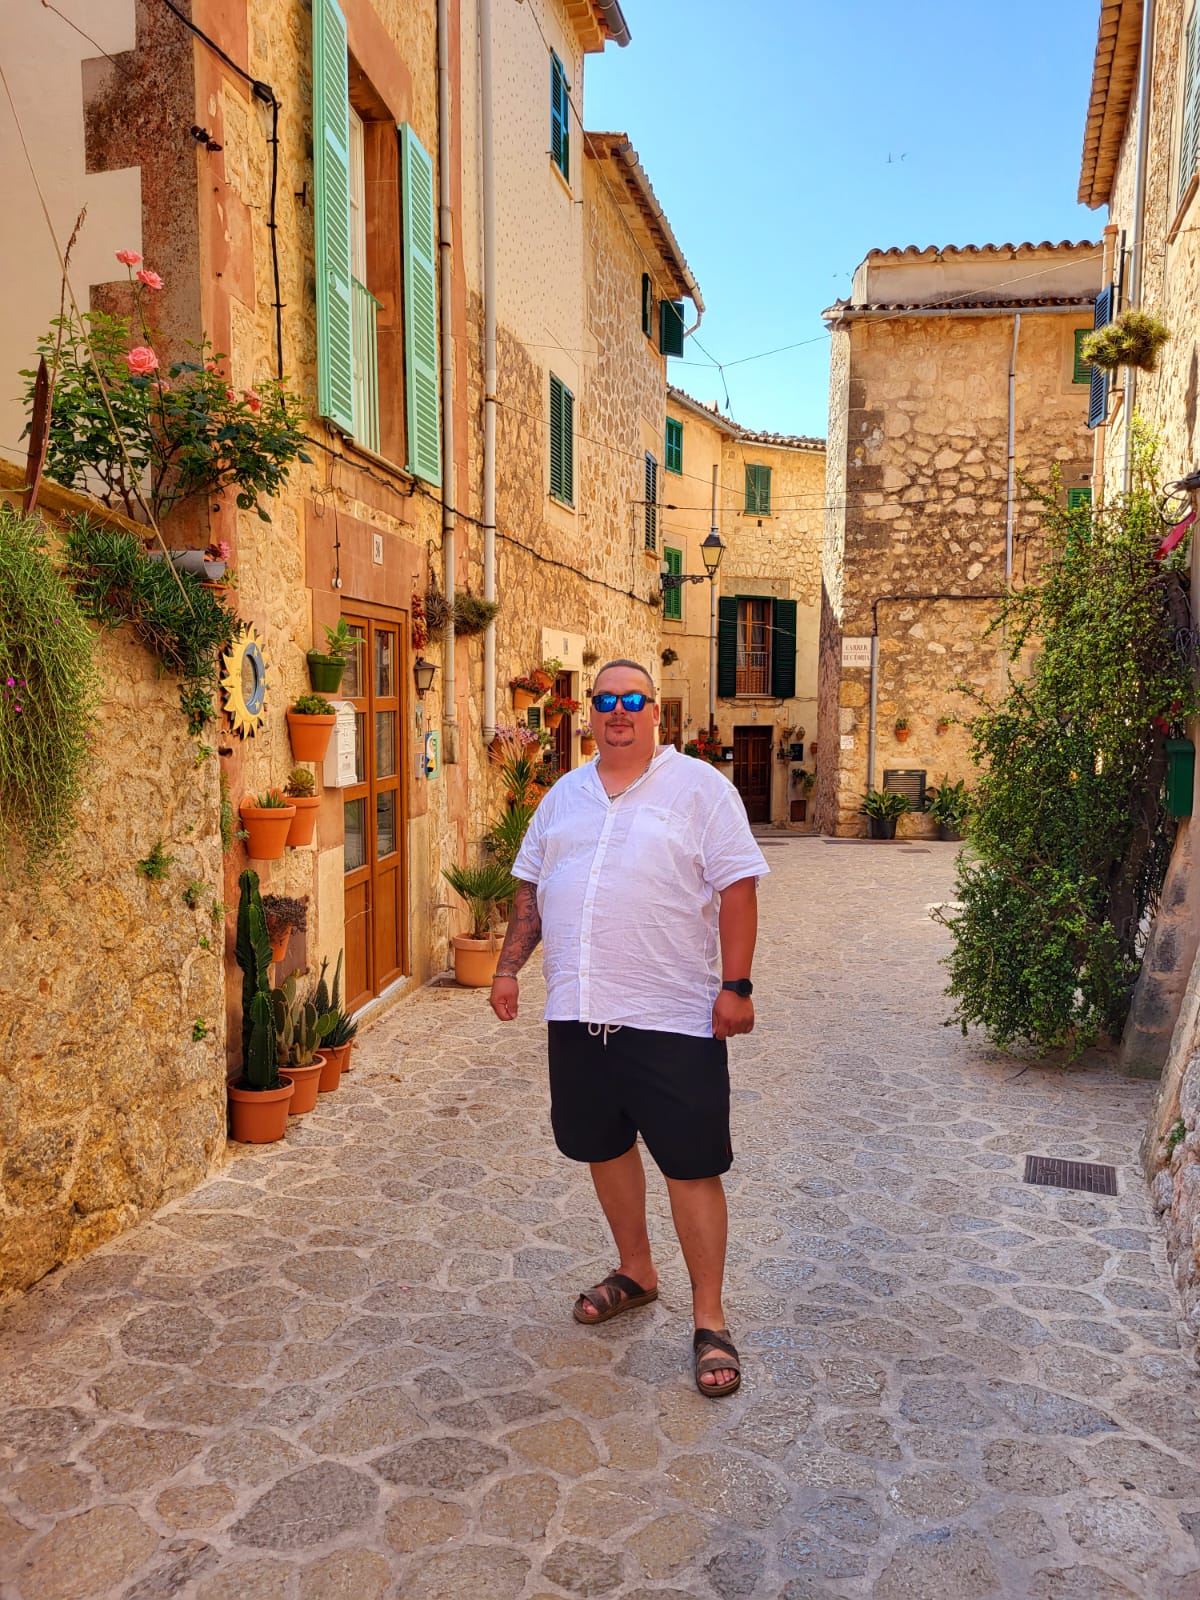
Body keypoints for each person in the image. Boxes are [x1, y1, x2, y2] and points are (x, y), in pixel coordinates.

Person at [489, 658, 768, 1396]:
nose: (618, 711)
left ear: (654, 713)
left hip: (672, 1015)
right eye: (606, 699)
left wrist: (736, 985)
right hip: (578, 1012)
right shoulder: (563, 796)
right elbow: (530, 891)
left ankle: (709, 1318)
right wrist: (509, 968)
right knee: (602, 1146)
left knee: (691, 1164)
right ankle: (637, 1271)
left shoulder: (700, 789)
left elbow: (738, 888)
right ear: (589, 712)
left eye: (633, 700)